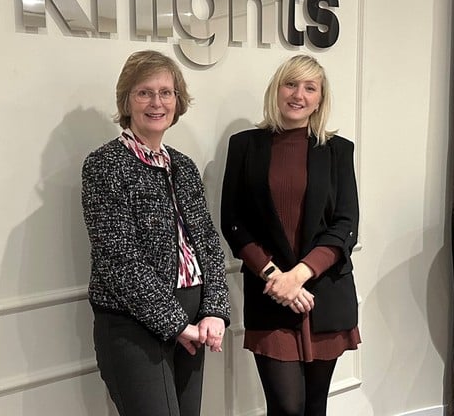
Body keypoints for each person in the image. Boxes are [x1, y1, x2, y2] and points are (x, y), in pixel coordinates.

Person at [82, 50, 231, 416]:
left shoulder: (183, 166)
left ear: (177, 101)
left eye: (166, 92)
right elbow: (119, 259)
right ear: (127, 100)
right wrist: (175, 323)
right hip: (132, 326)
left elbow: (208, 244)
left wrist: (214, 310)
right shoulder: (105, 165)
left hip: (194, 320)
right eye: (144, 92)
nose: (156, 102)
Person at [220, 54, 361, 416]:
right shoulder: (245, 146)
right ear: (277, 89)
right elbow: (233, 222)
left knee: (314, 407)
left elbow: (345, 224)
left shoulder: (338, 151)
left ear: (320, 98)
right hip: (270, 295)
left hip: (325, 295)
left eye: (310, 88)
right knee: (286, 407)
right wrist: (275, 278)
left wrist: (298, 276)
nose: (299, 95)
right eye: (291, 84)